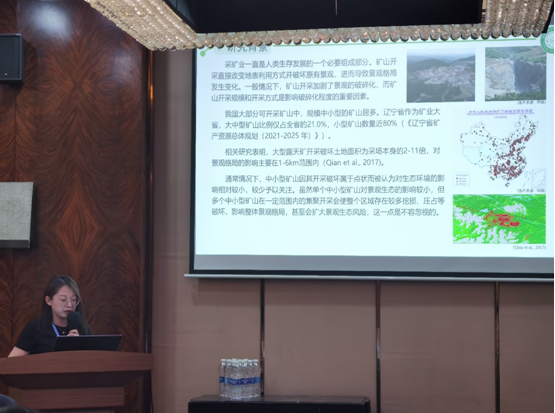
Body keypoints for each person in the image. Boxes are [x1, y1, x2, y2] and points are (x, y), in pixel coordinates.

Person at [8, 275, 91, 357]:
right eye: (63, 299)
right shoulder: (35, 328)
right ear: (48, 300)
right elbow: (11, 362)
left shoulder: (84, 329)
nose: (69, 305)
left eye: (73, 300)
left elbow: (92, 359)